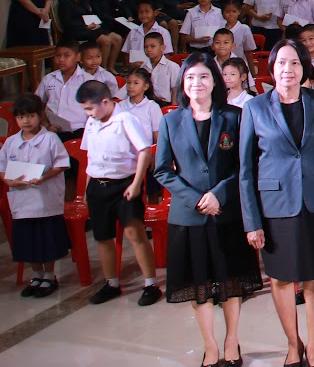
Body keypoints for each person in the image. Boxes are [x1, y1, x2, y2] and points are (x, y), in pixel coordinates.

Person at [153, 53, 262, 367]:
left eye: (203, 76)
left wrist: (219, 194)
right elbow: (162, 170)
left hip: (227, 213)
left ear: (215, 81)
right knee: (198, 283)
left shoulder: (234, 116)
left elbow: (246, 164)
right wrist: (196, 198)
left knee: (230, 281)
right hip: (189, 216)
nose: (196, 83)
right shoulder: (171, 120)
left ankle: (231, 341)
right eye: (190, 77)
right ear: (182, 83)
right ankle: (210, 346)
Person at [239, 39, 314, 367]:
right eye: (281, 62)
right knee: (280, 278)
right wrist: (252, 222)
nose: (288, 69)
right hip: (274, 206)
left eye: (295, 63)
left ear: (304, 67)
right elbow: (245, 169)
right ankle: (293, 345)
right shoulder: (255, 108)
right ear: (271, 68)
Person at [77, 79, 162, 305]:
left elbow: (144, 151)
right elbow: (90, 157)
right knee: (102, 236)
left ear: (105, 102)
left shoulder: (125, 119)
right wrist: (87, 188)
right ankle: (111, 283)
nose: (88, 114)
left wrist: (136, 184)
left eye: (90, 108)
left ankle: (150, 284)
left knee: (135, 233)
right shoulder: (92, 122)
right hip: (98, 185)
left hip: (124, 184)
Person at [0, 92, 70, 298]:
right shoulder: (11, 142)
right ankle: (36, 275)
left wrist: (44, 177)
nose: (26, 121)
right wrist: (8, 181)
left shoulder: (50, 139)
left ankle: (49, 275)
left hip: (45, 198)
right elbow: (2, 168)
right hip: (22, 200)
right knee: (28, 241)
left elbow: (61, 164)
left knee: (46, 239)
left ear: (39, 115)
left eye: (30, 116)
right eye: (21, 117)